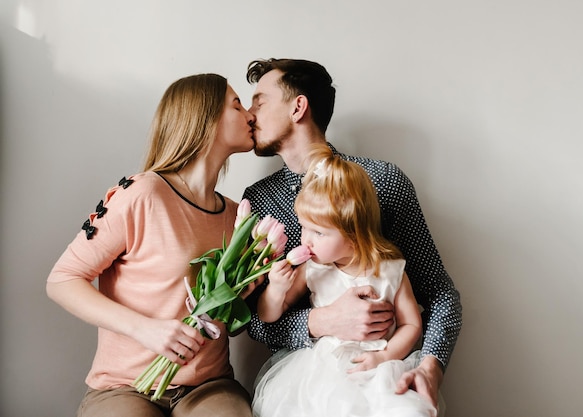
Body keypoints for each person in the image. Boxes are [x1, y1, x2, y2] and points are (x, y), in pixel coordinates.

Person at [242, 58, 462, 412]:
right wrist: (321, 321)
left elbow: (439, 294)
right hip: (308, 382)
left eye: (259, 101)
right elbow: (252, 321)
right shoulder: (259, 201)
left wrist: (431, 366)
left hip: (380, 372)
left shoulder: (382, 182)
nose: (249, 114)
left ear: (298, 107)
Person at [46, 73, 257, 417]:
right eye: (237, 105)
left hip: (208, 386)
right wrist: (145, 329)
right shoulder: (142, 193)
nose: (250, 115)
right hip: (124, 386)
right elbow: (62, 281)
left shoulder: (238, 215)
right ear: (203, 118)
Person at [252, 145, 437, 417]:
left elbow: (411, 324)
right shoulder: (312, 269)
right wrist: (277, 289)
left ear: (353, 236)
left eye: (318, 232)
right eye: (304, 226)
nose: (305, 239)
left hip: (378, 367)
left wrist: (385, 357)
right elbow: (267, 316)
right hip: (323, 369)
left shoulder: (390, 270)